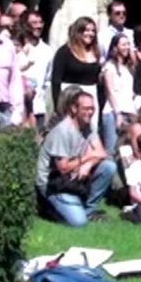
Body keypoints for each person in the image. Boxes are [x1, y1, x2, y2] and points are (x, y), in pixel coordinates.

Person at [35, 91, 117, 226]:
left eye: (92, 109)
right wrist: (88, 156)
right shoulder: (63, 131)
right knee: (78, 223)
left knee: (109, 167)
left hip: (73, 178)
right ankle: (48, 208)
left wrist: (88, 164)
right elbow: (63, 167)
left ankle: (88, 210)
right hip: (54, 184)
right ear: (74, 109)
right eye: (86, 109)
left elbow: (102, 153)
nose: (90, 112)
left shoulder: (88, 127)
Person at [50, 17, 102, 131]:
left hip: (91, 97)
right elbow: (56, 80)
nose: (90, 34)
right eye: (86, 30)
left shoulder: (96, 52)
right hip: (70, 96)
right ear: (78, 32)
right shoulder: (64, 52)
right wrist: (58, 107)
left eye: (93, 31)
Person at [101, 33, 139, 155]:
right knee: (112, 149)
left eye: (128, 44)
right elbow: (110, 91)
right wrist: (117, 114)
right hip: (113, 112)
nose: (127, 47)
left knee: (127, 151)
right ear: (115, 47)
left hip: (129, 111)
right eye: (123, 44)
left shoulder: (128, 68)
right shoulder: (109, 67)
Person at [19, 10, 53, 132]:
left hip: (39, 109)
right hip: (19, 109)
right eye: (34, 23)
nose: (38, 26)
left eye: (40, 22)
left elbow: (48, 81)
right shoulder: (17, 49)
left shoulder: (48, 51)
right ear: (25, 25)